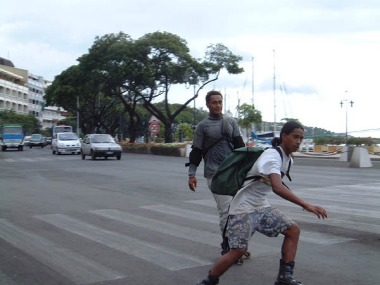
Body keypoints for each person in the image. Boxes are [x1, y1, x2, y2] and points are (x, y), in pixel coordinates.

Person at [196, 120, 328, 285]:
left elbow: (278, 185)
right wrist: (306, 204)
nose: (299, 142)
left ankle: (284, 278)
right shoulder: (272, 156)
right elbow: (278, 188)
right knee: (237, 251)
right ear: (284, 136)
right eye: (295, 137)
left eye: (301, 138)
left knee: (293, 230)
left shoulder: (288, 159)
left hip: (261, 207)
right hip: (243, 209)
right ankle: (208, 281)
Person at [187, 90, 247, 261]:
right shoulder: (202, 126)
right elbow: (196, 151)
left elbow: (240, 148)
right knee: (226, 211)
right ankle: (228, 246)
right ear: (207, 104)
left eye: (220, 102)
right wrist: (192, 174)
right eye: (214, 102)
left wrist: (247, 171)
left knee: (240, 210)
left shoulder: (231, 122)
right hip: (214, 174)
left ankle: (238, 245)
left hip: (233, 173)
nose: (218, 105)